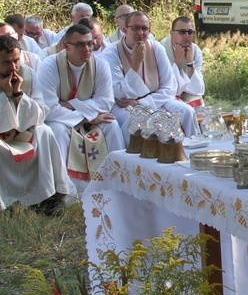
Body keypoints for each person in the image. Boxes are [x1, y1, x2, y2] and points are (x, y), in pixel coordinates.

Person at [39, 24, 124, 185]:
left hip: (88, 117)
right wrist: (86, 118)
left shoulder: (100, 65)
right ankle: (67, 188)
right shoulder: (49, 66)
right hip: (63, 121)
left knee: (111, 124)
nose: (86, 49)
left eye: (90, 44)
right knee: (56, 130)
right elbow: (48, 109)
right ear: (66, 46)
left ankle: (115, 182)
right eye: (79, 44)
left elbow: (105, 102)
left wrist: (69, 104)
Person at [0, 35, 72, 213]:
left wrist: (17, 95)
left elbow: (40, 112)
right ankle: (6, 204)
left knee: (45, 131)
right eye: (6, 62)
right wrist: (5, 97)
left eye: (16, 60)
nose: (13, 67)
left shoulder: (28, 74)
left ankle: (50, 197)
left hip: (24, 131)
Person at [101, 11, 196, 143]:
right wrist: (136, 64)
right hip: (124, 106)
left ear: (149, 31)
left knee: (186, 111)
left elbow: (169, 88)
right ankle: (133, 161)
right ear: (124, 30)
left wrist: (141, 103)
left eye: (144, 28)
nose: (140, 33)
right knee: (134, 119)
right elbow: (119, 93)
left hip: (154, 100)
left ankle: (190, 151)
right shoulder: (110, 53)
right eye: (135, 28)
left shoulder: (156, 48)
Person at [160, 17, 205, 108]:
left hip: (187, 91)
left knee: (198, 101)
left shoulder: (195, 51)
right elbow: (165, 83)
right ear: (172, 33)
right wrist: (177, 63)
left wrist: (190, 63)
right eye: (182, 32)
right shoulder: (161, 49)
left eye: (190, 32)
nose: (186, 36)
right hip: (165, 93)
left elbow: (198, 88)